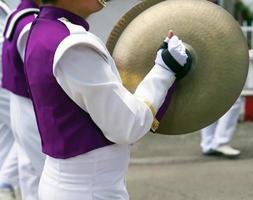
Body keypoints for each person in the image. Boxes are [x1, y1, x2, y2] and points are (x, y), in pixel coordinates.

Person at [24, 0, 192, 199]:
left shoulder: (43, 29)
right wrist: (165, 69)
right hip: (89, 190)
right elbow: (127, 125)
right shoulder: (73, 45)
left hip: (69, 184)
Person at [1, 0, 45, 199]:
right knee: (39, 166)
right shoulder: (29, 22)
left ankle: (5, 183)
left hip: (17, 95)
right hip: (27, 101)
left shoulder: (21, 16)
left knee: (25, 159)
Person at [0, 2, 20, 199]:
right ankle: (5, 182)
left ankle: (4, 182)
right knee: (27, 128)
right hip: (5, 77)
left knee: (7, 135)